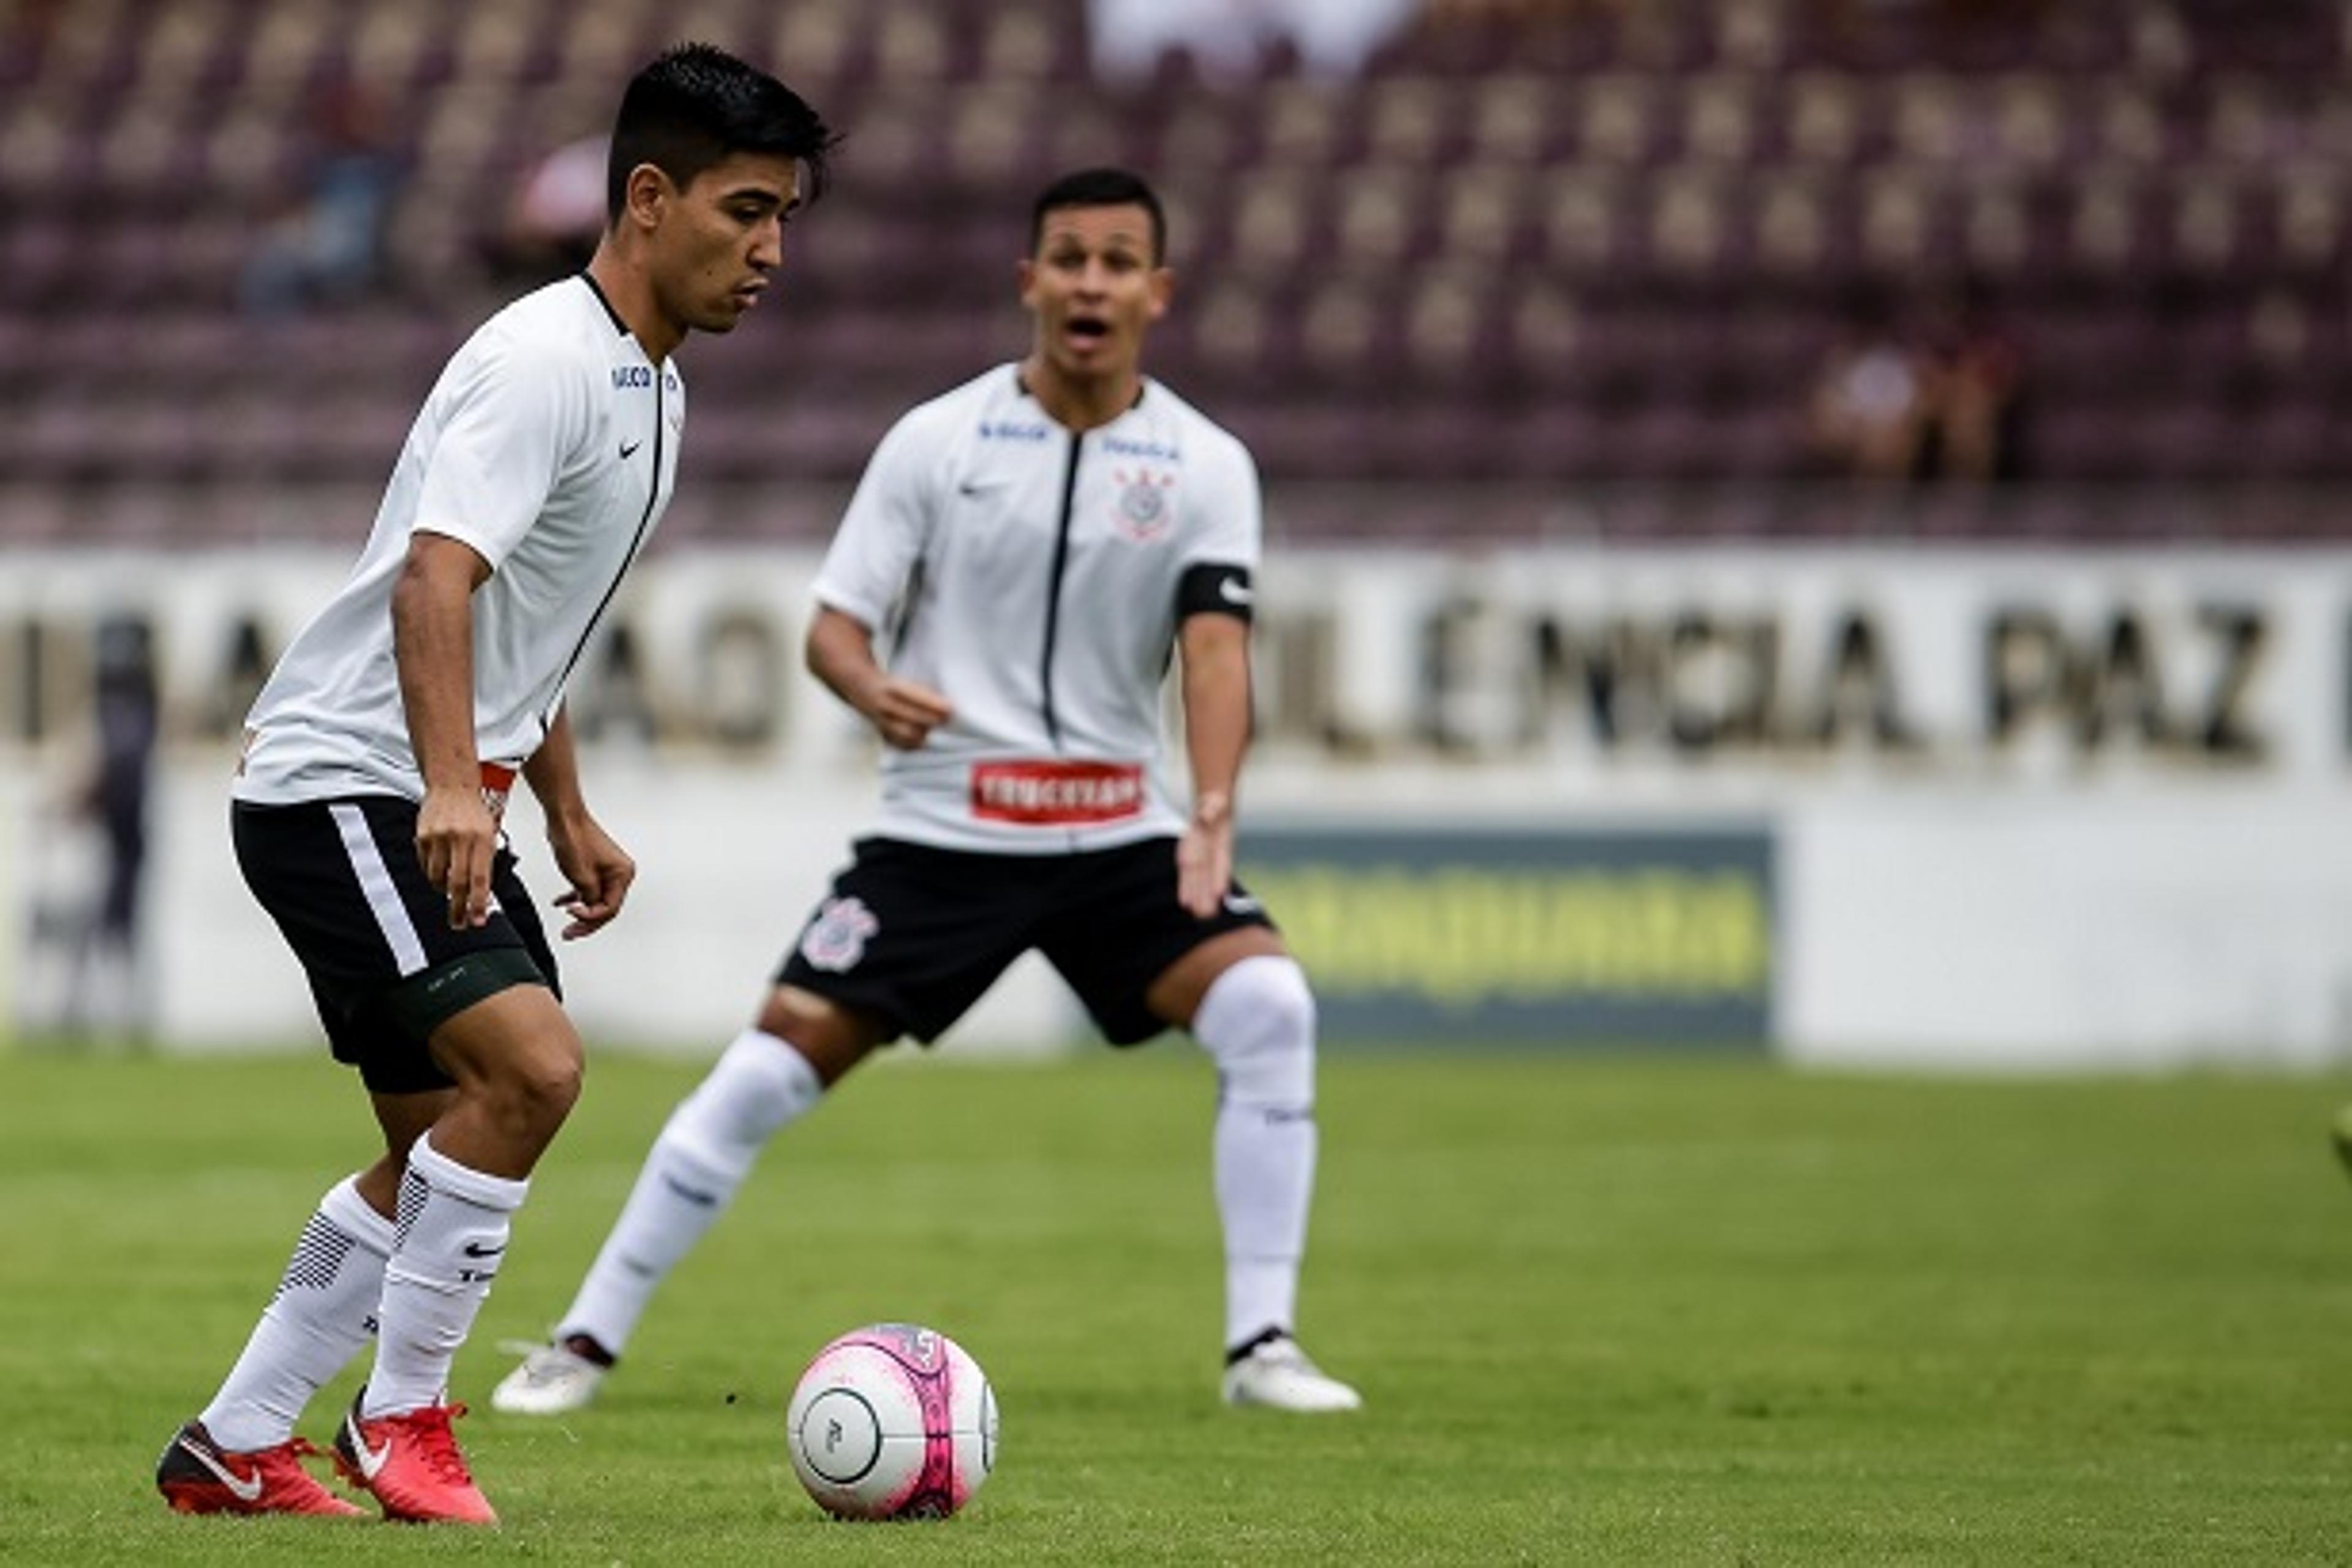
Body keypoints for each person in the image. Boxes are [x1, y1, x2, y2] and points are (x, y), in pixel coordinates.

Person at [492, 168, 1362, 1420]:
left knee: (1271, 1003)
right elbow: (834, 628)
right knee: (764, 1070)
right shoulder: (936, 441)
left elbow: (1217, 652)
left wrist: (1211, 809)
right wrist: (872, 688)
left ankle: (1263, 1344)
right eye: (1069, 258)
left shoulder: (1207, 463)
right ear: (1030, 281)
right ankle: (582, 1339)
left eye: (1120, 263)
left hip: (1121, 831)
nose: (1092, 283)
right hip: (944, 835)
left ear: (1157, 293)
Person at [154, 45, 835, 1525]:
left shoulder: (655, 388)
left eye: (786, 216)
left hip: (410, 784)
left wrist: (567, 808)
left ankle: (234, 1442)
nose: (772, 248)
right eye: (746, 210)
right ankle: (403, 1419)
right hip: (350, 786)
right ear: (648, 198)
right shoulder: (544, 360)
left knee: (432, 1152)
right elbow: (435, 584)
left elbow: (533, 617)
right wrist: (461, 791)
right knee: (533, 1073)